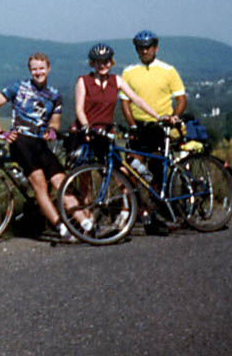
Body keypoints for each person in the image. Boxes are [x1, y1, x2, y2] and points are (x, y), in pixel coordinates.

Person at [0, 52, 87, 241]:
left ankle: (87, 225)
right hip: (21, 142)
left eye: (41, 68)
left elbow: (55, 123)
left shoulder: (55, 95)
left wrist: (52, 130)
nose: (38, 72)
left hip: (40, 143)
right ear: (30, 70)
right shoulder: (18, 87)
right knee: (39, 182)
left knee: (62, 182)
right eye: (34, 69)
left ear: (48, 69)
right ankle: (61, 227)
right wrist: (0, 132)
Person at [118, 30, 187, 235]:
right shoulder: (129, 72)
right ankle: (135, 211)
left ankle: (156, 212)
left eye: (148, 47)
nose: (145, 50)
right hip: (138, 127)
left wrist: (174, 116)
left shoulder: (168, 70)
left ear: (156, 48)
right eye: (141, 48)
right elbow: (125, 102)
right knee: (131, 169)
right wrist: (132, 126)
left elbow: (181, 99)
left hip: (160, 127)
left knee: (157, 171)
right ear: (137, 50)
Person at [73, 43, 166, 160]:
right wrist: (86, 127)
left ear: (111, 62)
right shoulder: (84, 81)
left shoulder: (116, 80)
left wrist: (157, 116)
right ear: (93, 63)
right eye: (98, 62)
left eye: (106, 61)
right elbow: (79, 109)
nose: (102, 65)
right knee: (84, 170)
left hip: (105, 133)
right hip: (86, 132)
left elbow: (137, 100)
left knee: (119, 171)